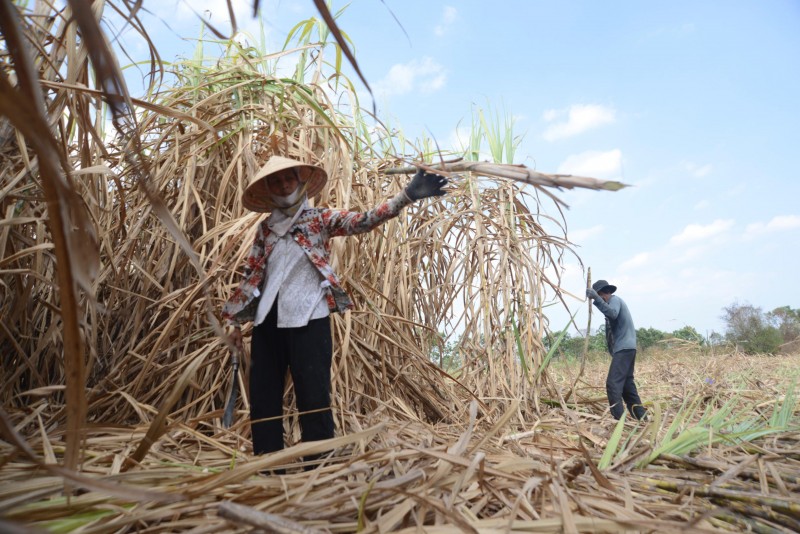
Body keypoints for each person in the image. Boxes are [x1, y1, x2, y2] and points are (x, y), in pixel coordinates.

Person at [222, 155, 448, 466]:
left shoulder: (319, 219)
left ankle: (319, 465)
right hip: (267, 321)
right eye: (276, 181)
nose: (283, 184)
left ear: (301, 180)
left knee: (313, 394)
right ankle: (268, 466)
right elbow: (251, 275)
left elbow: (364, 221)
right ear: (268, 189)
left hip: (309, 317)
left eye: (289, 178)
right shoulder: (266, 230)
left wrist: (406, 196)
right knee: (264, 397)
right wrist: (235, 322)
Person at [586, 280, 647, 421]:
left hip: (625, 348)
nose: (601, 301)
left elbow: (612, 313)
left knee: (613, 384)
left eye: (600, 296)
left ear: (604, 294)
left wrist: (595, 298)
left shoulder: (614, 300)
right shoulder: (613, 302)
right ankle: (642, 418)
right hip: (628, 348)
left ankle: (620, 421)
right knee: (627, 386)